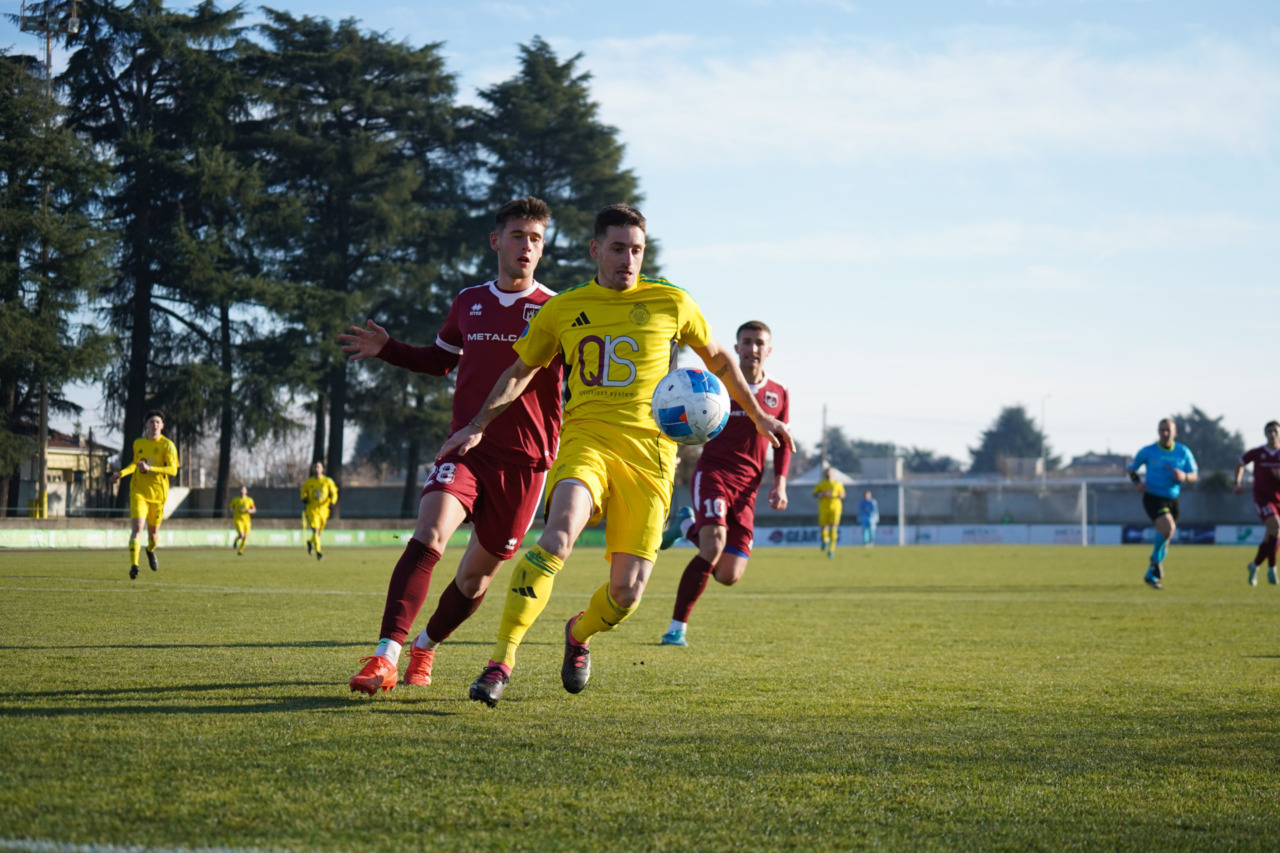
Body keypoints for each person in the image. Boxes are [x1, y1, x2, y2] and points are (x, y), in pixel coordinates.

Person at [437, 203, 793, 706]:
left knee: (626, 595)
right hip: (586, 443)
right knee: (557, 537)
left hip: (649, 460)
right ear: (595, 250)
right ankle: (501, 661)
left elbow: (720, 360)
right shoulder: (563, 309)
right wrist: (478, 424)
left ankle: (578, 635)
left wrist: (760, 418)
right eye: (619, 248)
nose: (629, 259)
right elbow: (519, 371)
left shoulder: (673, 303)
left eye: (637, 250)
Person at [339, 197, 563, 695]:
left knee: (472, 582)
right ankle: (385, 657)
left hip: (526, 463)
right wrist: (389, 349)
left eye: (536, 239)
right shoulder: (468, 302)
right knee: (430, 534)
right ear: (495, 241)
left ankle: (425, 645)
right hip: (465, 446)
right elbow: (441, 361)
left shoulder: (557, 311)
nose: (527, 247)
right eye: (518, 236)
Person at [657, 320, 790, 647]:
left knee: (728, 575)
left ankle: (686, 525)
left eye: (760, 343)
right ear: (736, 348)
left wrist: (780, 483)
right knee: (713, 545)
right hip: (714, 474)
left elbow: (783, 441)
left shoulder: (779, 393)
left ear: (769, 350)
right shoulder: (715, 387)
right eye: (747, 342)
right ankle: (677, 628)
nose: (753, 348)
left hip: (748, 489)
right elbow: (679, 415)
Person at [1127, 418, 1198, 589]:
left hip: (1173, 499)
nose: (1164, 433)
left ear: (1175, 432)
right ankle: (1154, 561)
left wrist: (1184, 477)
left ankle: (1151, 575)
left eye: (1168, 430)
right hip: (1153, 497)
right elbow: (1131, 469)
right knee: (1168, 528)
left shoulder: (1183, 451)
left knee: (1166, 539)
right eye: (1161, 430)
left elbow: (1194, 474)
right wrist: (1138, 483)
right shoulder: (1149, 451)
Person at [110, 409, 180, 580]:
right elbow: (135, 464)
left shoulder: (167, 445)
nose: (155, 425)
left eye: (158, 422)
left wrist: (151, 469)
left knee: (153, 534)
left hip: (158, 495)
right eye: (151, 422)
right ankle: (134, 566)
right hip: (139, 491)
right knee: (137, 529)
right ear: (146, 425)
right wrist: (122, 473)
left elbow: (172, 470)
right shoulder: (138, 443)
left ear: (162, 426)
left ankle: (150, 550)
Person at [1233, 420, 1280, 586]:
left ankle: (1254, 566)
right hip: (1263, 499)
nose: (1272, 434)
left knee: (1272, 536)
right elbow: (1240, 463)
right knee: (1275, 527)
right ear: (1265, 434)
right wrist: (1237, 483)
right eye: (1269, 431)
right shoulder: (1258, 452)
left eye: (1275, 431)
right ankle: (1272, 570)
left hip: (1279, 500)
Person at [300, 461, 339, 561]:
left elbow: (334, 493)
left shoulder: (327, 481)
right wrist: (304, 498)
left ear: (322, 469)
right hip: (312, 510)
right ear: (312, 469)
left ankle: (310, 542)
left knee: (318, 533)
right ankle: (319, 552)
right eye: (315, 467)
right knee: (316, 530)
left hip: (324, 511)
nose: (316, 469)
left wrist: (332, 502)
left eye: (318, 467)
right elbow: (303, 492)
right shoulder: (308, 482)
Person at [813, 466, 846, 558]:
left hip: (836, 508)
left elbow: (843, 494)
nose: (828, 474)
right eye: (827, 472)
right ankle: (824, 540)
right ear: (825, 474)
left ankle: (831, 550)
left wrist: (841, 495)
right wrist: (822, 494)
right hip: (824, 508)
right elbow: (814, 494)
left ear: (833, 473)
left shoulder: (838, 484)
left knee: (834, 528)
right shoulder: (821, 484)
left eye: (830, 472)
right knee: (824, 527)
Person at [229, 485, 256, 556]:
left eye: (243, 489)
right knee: (241, 535)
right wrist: (231, 509)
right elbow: (230, 507)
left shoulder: (249, 500)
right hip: (238, 520)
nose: (242, 491)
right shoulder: (235, 499)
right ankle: (236, 541)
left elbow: (254, 509)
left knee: (245, 537)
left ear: (246, 491)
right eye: (241, 489)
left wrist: (250, 510)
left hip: (247, 521)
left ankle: (240, 551)